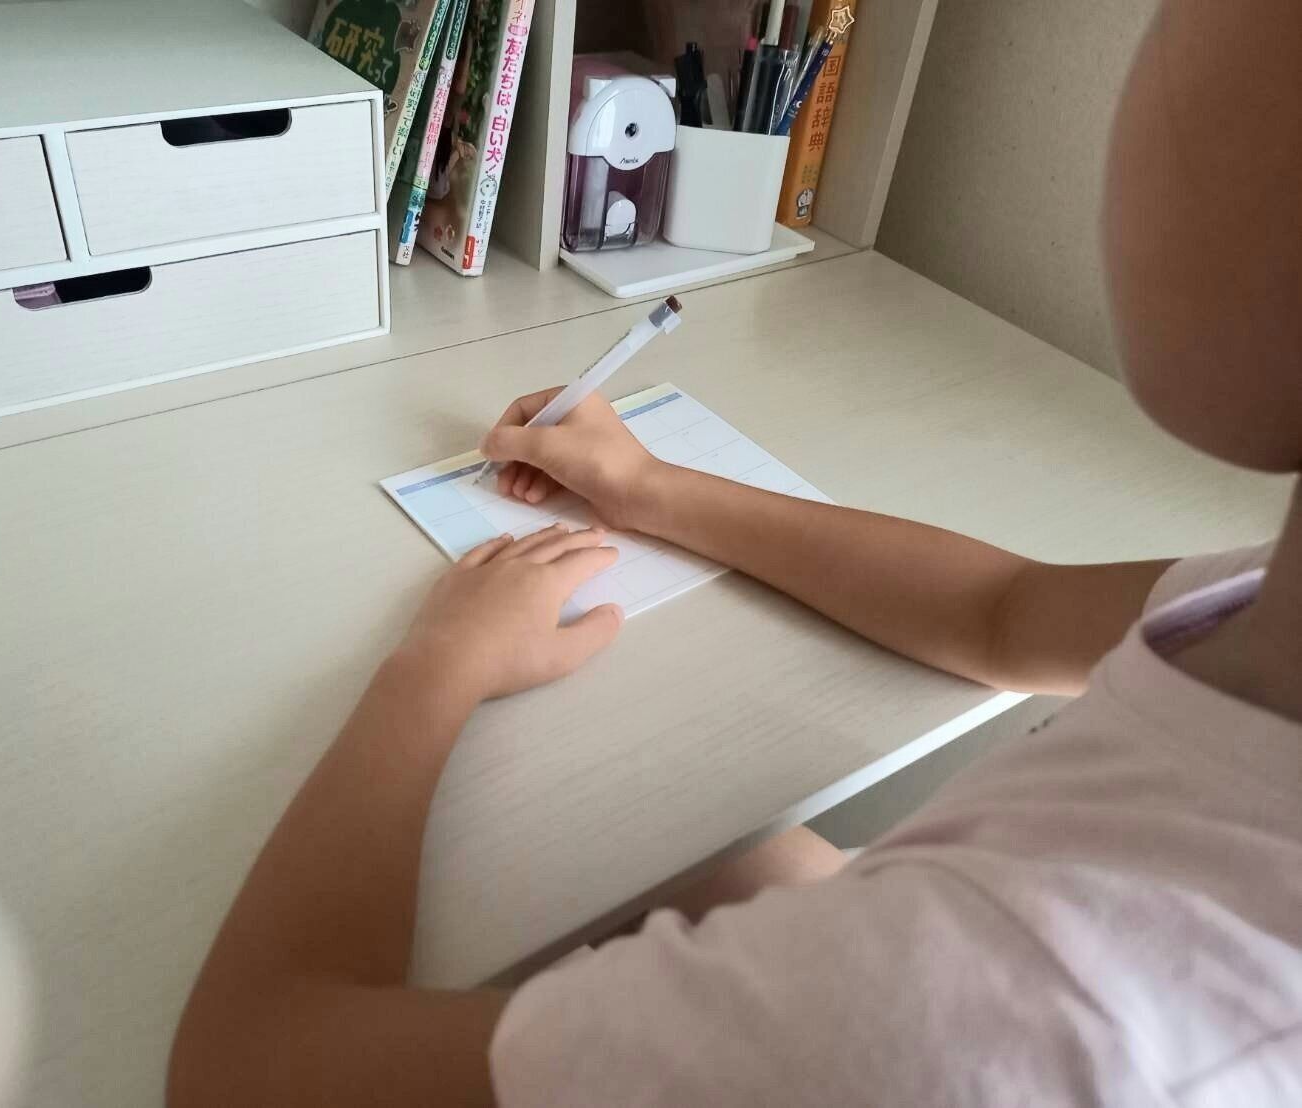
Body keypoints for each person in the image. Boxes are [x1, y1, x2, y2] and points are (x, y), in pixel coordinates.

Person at [167, 1, 1301, 1103]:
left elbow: (244, 1070)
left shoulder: (985, 1020)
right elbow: (1001, 612)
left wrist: (437, 666)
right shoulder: (1262, 613)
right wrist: (650, 489)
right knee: (741, 859)